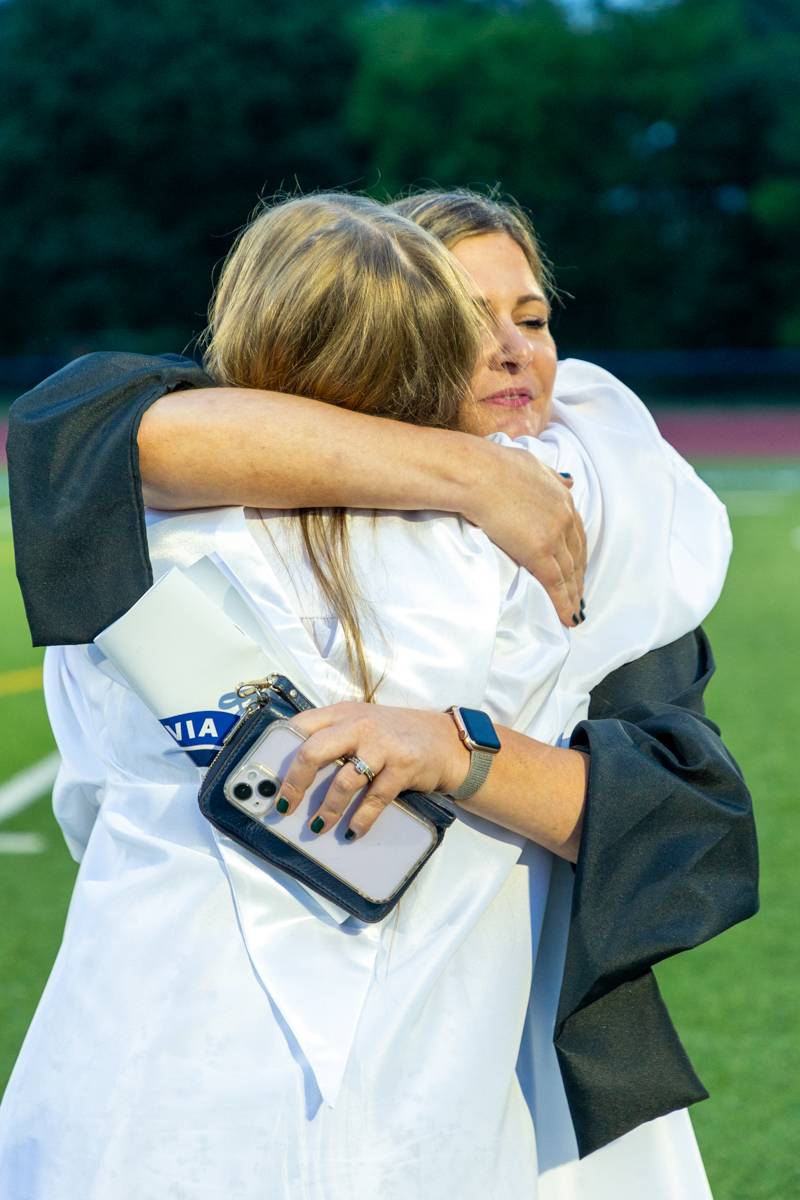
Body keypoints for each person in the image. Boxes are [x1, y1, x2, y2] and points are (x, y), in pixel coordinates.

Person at [4, 191, 757, 1194]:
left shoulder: (116, 517)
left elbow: (687, 819)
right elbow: (94, 433)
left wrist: (459, 748)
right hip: (227, 1048)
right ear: (399, 337)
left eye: (530, 319)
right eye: (456, 319)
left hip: (352, 1053)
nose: (505, 351)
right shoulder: (137, 490)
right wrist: (468, 476)